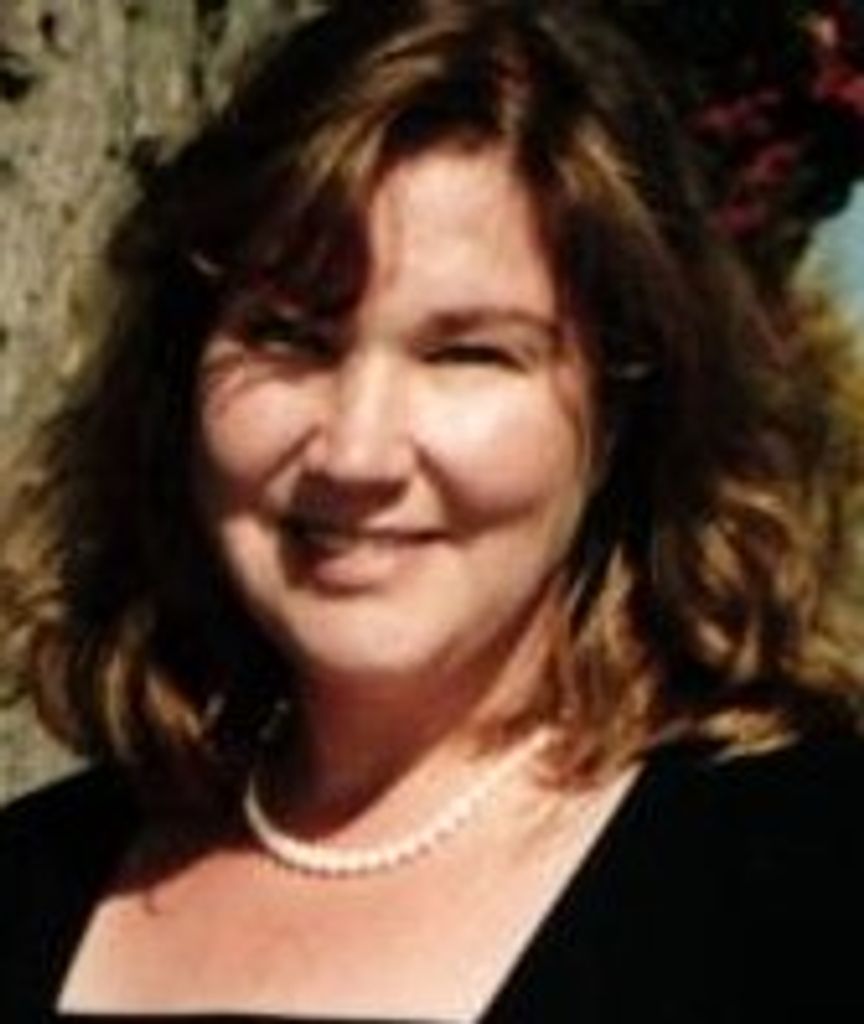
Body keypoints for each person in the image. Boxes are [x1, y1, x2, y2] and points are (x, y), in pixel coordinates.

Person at [2, 0, 863, 1019]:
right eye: (290, 337)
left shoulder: (809, 884)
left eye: (467, 354)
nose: (356, 452)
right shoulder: (32, 879)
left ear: (623, 406)